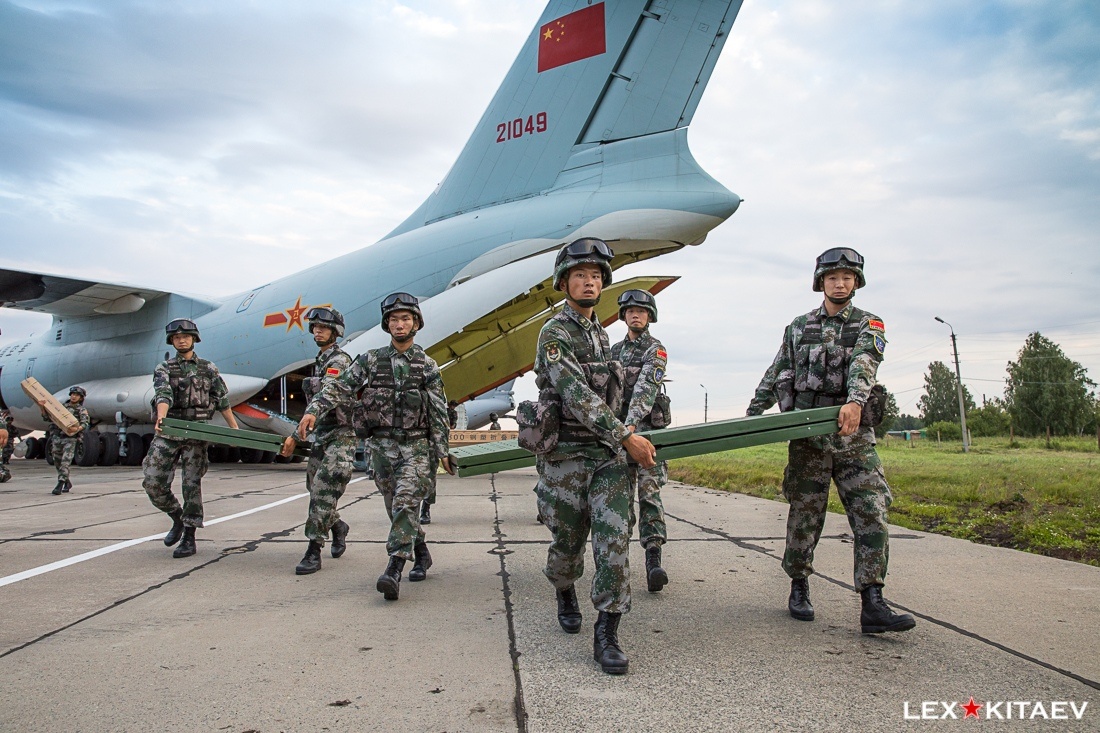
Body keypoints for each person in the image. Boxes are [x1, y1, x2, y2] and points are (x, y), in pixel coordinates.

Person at [746, 248, 915, 634]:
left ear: (856, 282)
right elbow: (778, 371)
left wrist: (855, 402)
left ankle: (872, 600)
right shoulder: (798, 327)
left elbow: (864, 363)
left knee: (872, 513)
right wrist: (752, 416)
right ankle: (799, 584)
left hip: (854, 438)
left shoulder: (870, 323)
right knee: (805, 517)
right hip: (808, 438)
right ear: (820, 282)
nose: (840, 283)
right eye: (833, 277)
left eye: (848, 277)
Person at [531, 238, 656, 675]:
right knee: (566, 544)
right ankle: (565, 589)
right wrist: (625, 436)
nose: (590, 282)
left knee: (614, 542)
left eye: (596, 276)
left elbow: (613, 393)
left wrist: (626, 434)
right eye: (580, 275)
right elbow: (575, 393)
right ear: (564, 281)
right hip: (565, 456)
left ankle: (607, 631)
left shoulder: (603, 335)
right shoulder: (555, 333)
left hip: (606, 457)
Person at [298, 292, 452, 600]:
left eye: (405, 319)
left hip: (416, 446)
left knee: (406, 501)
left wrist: (443, 450)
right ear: (387, 325)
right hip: (381, 447)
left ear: (416, 323)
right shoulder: (370, 360)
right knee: (394, 506)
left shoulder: (427, 365)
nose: (399, 324)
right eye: (394, 320)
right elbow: (340, 386)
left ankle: (394, 568)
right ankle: (421, 552)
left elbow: (438, 410)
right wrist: (313, 410)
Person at [143, 318, 239, 558]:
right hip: (170, 429)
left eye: (185, 336)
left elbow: (222, 399)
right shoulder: (164, 368)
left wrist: (234, 430)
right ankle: (177, 517)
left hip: (197, 432)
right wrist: (162, 419)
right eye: (176, 338)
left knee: (191, 484)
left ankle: (189, 535)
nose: (181, 340)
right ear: (171, 341)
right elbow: (163, 393)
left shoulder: (208, 368)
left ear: (194, 339)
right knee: (153, 483)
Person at [281, 307, 354, 575]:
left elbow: (328, 394)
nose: (317, 331)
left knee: (323, 490)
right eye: (314, 327)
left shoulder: (339, 362)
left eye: (323, 327)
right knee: (314, 489)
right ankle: (338, 526)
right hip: (322, 436)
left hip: (342, 436)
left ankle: (313, 550)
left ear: (336, 332)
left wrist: (296, 431)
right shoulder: (320, 361)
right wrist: (295, 434)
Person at [611, 289, 671, 593]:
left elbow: (646, 389)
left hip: (646, 436)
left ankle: (653, 560)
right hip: (618, 438)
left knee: (649, 496)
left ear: (650, 316)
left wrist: (630, 427)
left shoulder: (655, 350)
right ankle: (617, 566)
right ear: (624, 315)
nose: (636, 315)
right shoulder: (612, 351)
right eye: (631, 310)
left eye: (642, 311)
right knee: (618, 502)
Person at [40, 386, 90, 495]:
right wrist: (42, 407)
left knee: (65, 461)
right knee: (57, 461)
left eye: (76, 395)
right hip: (57, 437)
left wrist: (76, 429)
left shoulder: (81, 410)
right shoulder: (62, 407)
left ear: (81, 398)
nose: (73, 396)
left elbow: (84, 424)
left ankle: (60, 483)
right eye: (72, 394)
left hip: (70, 438)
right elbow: (48, 418)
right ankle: (67, 481)